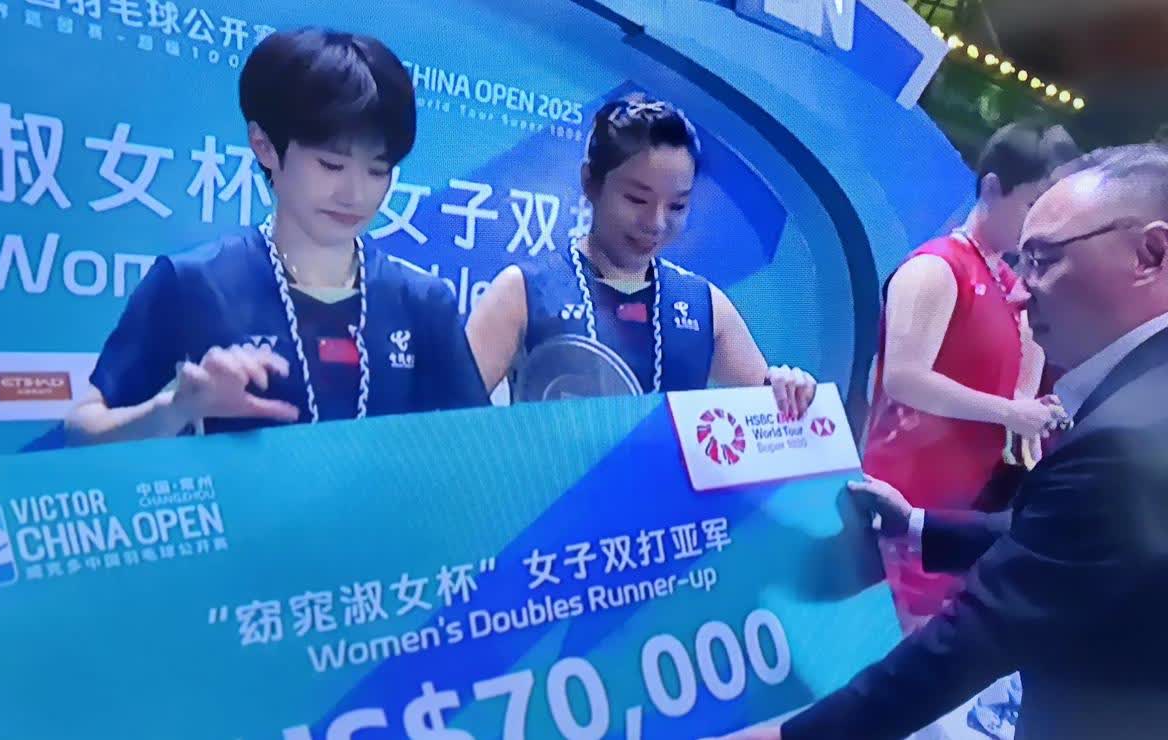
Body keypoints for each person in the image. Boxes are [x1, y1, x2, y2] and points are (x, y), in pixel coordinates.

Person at [717, 142, 1168, 740]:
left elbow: (974, 637)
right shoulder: (938, 269)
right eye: (1026, 258)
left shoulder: (1126, 437)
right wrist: (919, 524)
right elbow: (905, 380)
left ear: (1151, 253)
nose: (1022, 290)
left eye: (1045, 259)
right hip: (922, 485)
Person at [65, 28, 488, 445]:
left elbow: (478, 448)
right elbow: (83, 430)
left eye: (378, 171)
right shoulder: (193, 282)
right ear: (264, 146)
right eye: (331, 165)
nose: (356, 194)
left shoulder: (421, 302)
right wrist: (176, 408)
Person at [465, 95, 816, 417]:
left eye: (677, 206)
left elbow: (772, 416)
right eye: (637, 199)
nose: (656, 223)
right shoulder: (522, 292)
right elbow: (443, 423)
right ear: (590, 182)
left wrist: (788, 389)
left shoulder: (706, 306)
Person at [861, 122, 1080, 630]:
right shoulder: (936, 268)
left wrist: (1035, 412)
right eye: (1032, 206)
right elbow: (903, 378)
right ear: (991, 188)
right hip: (904, 493)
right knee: (880, 646)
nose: (1040, 226)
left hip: (961, 513)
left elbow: (1015, 392)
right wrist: (1010, 412)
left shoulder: (1009, 283)